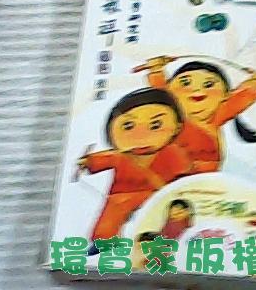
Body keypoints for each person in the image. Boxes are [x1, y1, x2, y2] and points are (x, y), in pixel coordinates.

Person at [77, 88, 191, 254]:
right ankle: (104, 242)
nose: (141, 135)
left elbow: (183, 173)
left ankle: (172, 242)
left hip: (158, 192)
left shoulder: (172, 152)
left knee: (172, 213)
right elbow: (104, 158)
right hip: (121, 196)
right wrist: (88, 161)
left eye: (156, 125)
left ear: (177, 127)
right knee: (113, 210)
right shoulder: (120, 156)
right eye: (128, 126)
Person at [142, 58, 256, 173]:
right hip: (168, 172)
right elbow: (160, 90)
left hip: (204, 175)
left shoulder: (218, 114)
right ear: (170, 89)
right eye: (185, 83)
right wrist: (156, 69)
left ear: (225, 95)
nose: (197, 90)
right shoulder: (169, 113)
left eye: (209, 85)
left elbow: (242, 96)